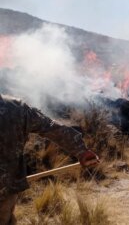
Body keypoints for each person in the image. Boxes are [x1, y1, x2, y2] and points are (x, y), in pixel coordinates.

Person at [0, 95, 100, 224]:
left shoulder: (17, 108)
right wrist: (81, 151)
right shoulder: (16, 108)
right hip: (6, 189)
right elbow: (52, 127)